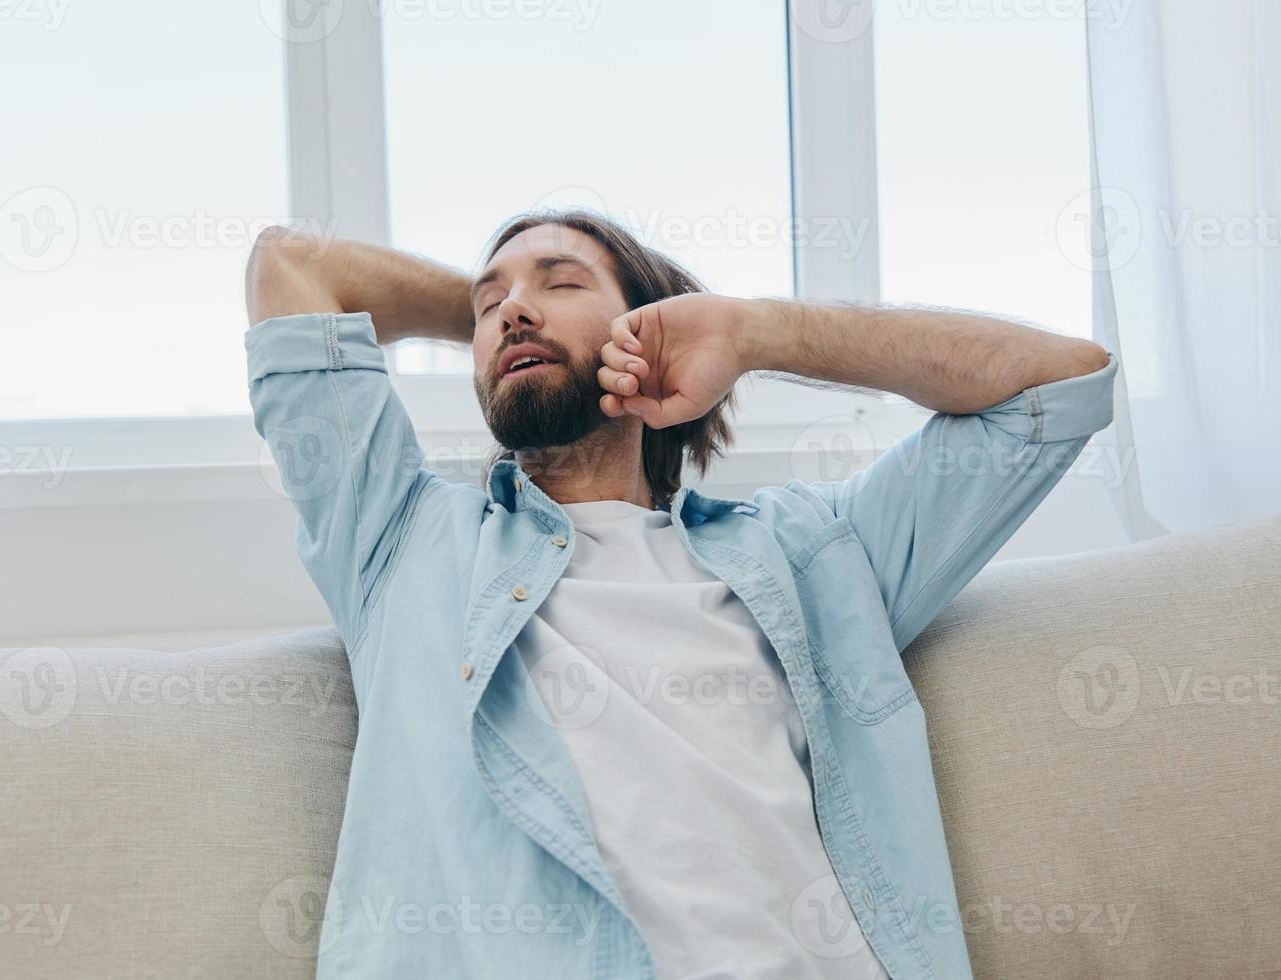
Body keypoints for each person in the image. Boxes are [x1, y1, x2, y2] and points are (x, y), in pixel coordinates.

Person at [242, 208, 1117, 979]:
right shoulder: (400, 542)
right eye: (489, 304)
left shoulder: (812, 554)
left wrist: (758, 330)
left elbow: (1062, 385)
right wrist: (519, 322)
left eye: (562, 280)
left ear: (651, 327)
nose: (511, 306)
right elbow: (293, 265)